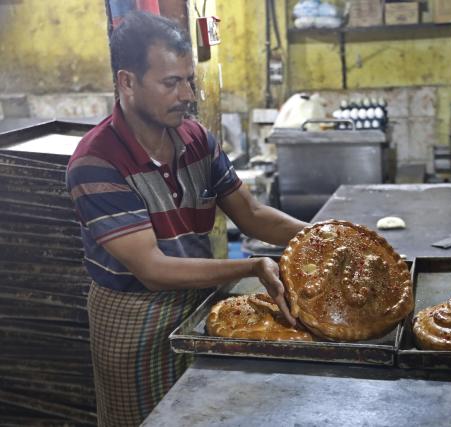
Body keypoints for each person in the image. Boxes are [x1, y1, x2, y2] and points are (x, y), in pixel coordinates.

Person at [66, 11, 307, 426]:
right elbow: (152, 269)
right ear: (127, 82)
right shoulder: (97, 161)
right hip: (134, 318)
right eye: (170, 83)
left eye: (189, 80)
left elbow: (250, 214)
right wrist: (251, 266)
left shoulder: (197, 140)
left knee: (207, 415)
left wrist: (325, 235)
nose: (187, 94)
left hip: (199, 303)